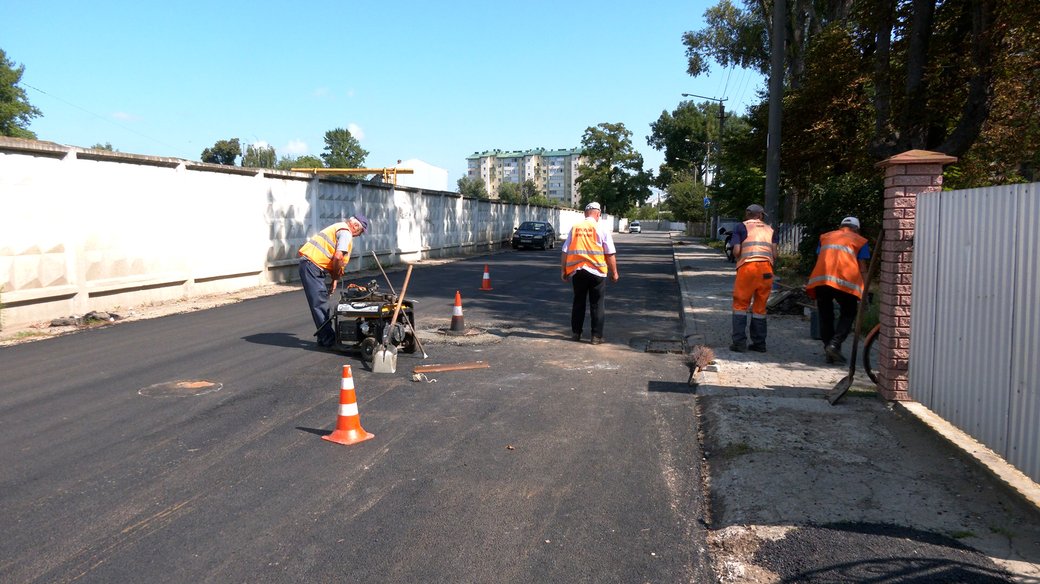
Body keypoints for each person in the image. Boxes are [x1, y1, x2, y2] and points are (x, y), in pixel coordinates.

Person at [806, 216, 870, 364]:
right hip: (844, 282)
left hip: (822, 280)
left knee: (825, 315)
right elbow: (863, 267)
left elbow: (821, 257)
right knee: (848, 312)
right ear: (857, 229)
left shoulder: (826, 237)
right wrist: (865, 289)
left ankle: (829, 348)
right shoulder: (859, 240)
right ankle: (834, 344)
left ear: (841, 226)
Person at [298, 214, 369, 347]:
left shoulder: (339, 228)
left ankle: (323, 337)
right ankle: (328, 339)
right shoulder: (346, 233)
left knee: (320, 301)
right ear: (355, 226)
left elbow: (332, 257)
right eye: (360, 232)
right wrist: (335, 277)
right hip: (311, 266)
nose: (359, 236)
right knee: (320, 303)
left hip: (312, 266)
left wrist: (334, 279)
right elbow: (337, 257)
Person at [561, 202, 618, 344]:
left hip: (578, 271)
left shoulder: (575, 228)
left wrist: (564, 270)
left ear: (585, 213)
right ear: (598, 214)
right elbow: (610, 253)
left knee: (578, 302)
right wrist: (614, 272)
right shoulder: (601, 228)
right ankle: (596, 337)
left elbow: (565, 250)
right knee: (597, 304)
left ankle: (576, 334)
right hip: (597, 272)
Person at [730, 204, 779, 352]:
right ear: (760, 215)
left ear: (748, 214)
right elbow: (775, 254)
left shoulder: (741, 227)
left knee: (740, 305)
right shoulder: (770, 230)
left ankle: (739, 343)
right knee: (760, 307)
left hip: (747, 269)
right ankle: (759, 344)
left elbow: (737, 251)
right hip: (766, 270)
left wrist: (739, 256)